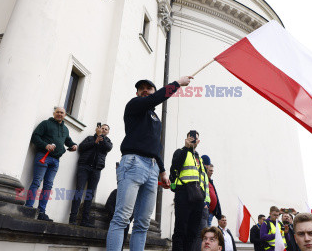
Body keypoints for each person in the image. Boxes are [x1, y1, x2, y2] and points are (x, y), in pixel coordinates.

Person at [106, 76, 192, 251]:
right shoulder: (134, 105)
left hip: (152, 169)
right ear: (137, 93)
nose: (145, 90)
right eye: (141, 88)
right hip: (133, 163)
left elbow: (156, 146)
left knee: (143, 223)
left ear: (153, 90)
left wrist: (162, 171)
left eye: (149, 88)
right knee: (122, 217)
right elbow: (155, 99)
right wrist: (177, 84)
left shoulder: (155, 119)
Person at [25, 107, 78, 221]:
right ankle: (28, 208)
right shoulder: (46, 124)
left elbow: (67, 141)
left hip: (55, 161)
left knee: (48, 186)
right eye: (57, 112)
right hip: (43, 157)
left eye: (62, 113)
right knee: (36, 182)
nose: (59, 114)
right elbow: (35, 136)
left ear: (65, 115)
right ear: (54, 113)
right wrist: (45, 145)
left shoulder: (65, 129)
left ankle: (41, 212)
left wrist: (73, 145)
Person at [170, 131, 209, 251]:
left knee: (192, 233)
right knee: (180, 230)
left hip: (197, 198)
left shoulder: (199, 158)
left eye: (194, 139)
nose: (192, 140)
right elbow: (174, 167)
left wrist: (204, 198)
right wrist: (186, 148)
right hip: (183, 194)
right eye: (190, 138)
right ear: (186, 139)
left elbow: (203, 179)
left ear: (198, 141)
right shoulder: (180, 152)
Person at [69, 123, 113, 227]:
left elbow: (107, 148)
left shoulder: (108, 142)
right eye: (102, 128)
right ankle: (72, 219)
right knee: (79, 192)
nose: (104, 130)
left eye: (106, 129)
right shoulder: (89, 138)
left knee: (90, 195)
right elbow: (81, 148)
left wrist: (100, 137)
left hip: (96, 170)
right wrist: (95, 141)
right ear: (98, 128)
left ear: (108, 132)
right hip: (84, 167)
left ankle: (84, 221)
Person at [203, 157, 222, 227]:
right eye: (210, 170)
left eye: (212, 171)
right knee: (205, 230)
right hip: (205, 210)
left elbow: (215, 196)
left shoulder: (210, 181)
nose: (212, 172)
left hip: (211, 213)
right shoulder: (204, 180)